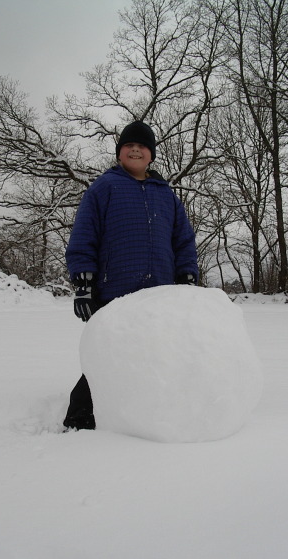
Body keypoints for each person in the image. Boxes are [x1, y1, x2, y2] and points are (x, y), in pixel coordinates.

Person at [63, 121, 199, 430]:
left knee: (153, 355)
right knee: (107, 357)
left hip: (158, 295)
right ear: (119, 153)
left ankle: (144, 414)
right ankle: (79, 419)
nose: (135, 149)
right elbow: (85, 235)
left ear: (151, 155)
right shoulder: (104, 187)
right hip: (115, 292)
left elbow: (183, 241)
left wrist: (187, 277)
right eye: (128, 145)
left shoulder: (167, 196)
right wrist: (83, 284)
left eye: (141, 146)